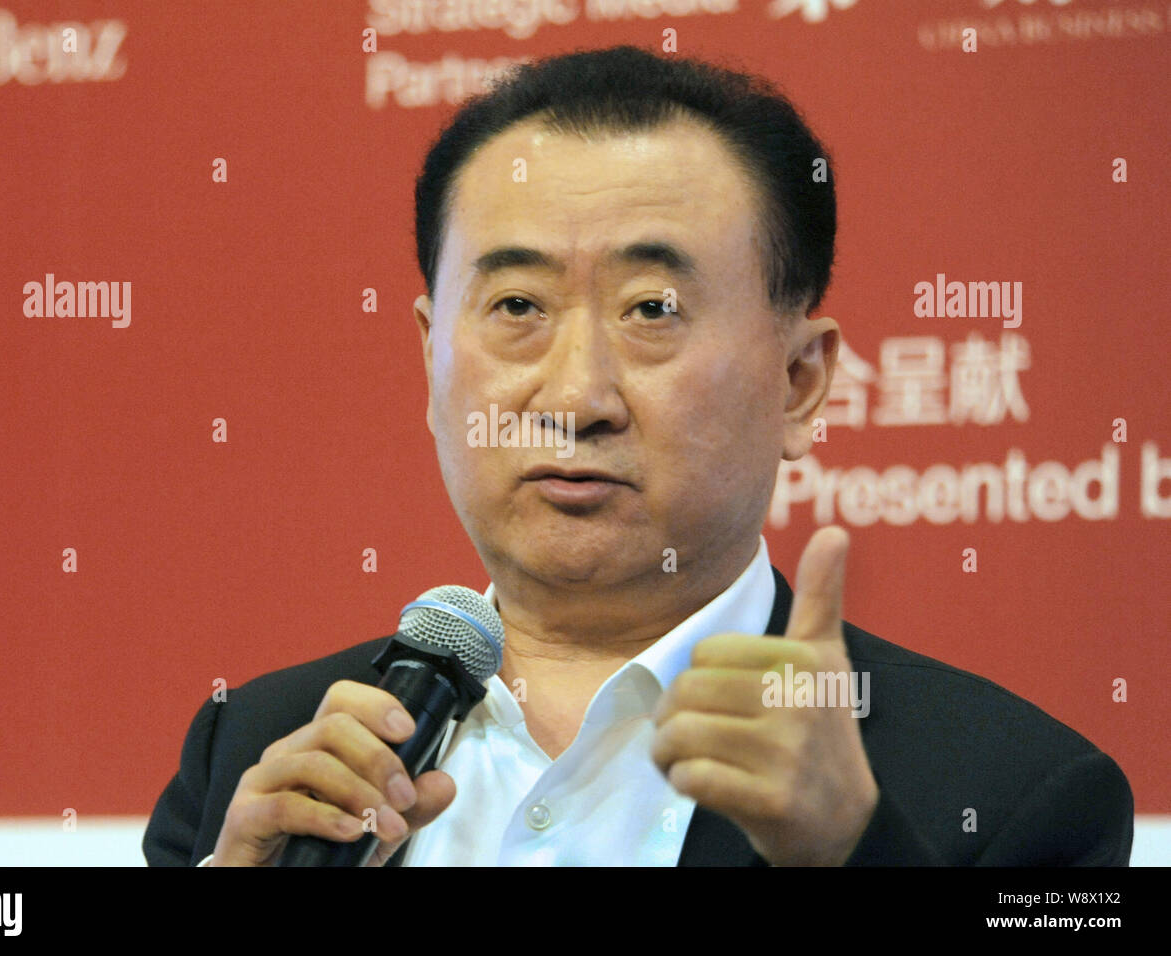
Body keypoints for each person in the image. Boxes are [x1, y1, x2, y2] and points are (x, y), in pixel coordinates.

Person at [143, 45, 1133, 867]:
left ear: (799, 381)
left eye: (653, 310)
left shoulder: (1018, 795)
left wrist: (850, 854)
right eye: (517, 307)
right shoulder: (256, 756)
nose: (576, 396)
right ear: (430, 354)